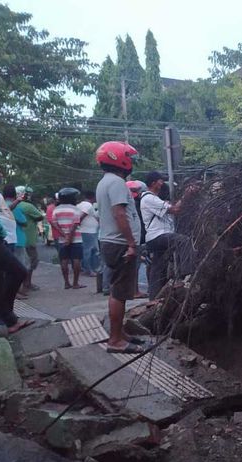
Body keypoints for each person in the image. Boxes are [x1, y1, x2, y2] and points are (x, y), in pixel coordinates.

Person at [95, 141, 146, 354]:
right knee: (119, 292)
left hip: (112, 241)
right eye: (129, 158)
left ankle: (119, 333)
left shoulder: (105, 182)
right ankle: (115, 340)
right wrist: (132, 243)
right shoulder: (116, 183)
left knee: (120, 291)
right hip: (119, 243)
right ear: (119, 159)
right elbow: (119, 214)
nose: (131, 163)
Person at [141, 171, 196, 299]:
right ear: (154, 183)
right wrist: (186, 195)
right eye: (160, 180)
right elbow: (175, 210)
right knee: (184, 241)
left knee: (158, 268)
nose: (162, 183)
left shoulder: (154, 199)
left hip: (156, 237)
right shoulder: (149, 198)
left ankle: (154, 299)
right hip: (158, 236)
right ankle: (187, 274)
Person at [0, 165, 33, 334]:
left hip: (1, 238)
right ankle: (6, 317)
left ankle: (7, 320)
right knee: (18, 271)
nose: (0, 174)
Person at [52, 187, 86, 290]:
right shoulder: (75, 209)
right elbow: (75, 224)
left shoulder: (56, 209)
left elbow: (54, 223)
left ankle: (66, 283)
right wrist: (69, 237)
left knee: (64, 260)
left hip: (62, 239)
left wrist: (64, 235)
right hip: (76, 238)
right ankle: (75, 283)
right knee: (76, 260)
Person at [16, 186, 44, 291]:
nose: (29, 196)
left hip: (18, 239)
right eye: (27, 194)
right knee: (31, 262)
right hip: (29, 239)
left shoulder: (14, 205)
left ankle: (24, 284)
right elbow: (40, 216)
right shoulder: (28, 206)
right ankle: (27, 284)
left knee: (21, 262)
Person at [0, 164, 18, 251]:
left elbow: (5, 210)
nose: (1, 175)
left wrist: (18, 200)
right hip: (0, 241)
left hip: (8, 239)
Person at [77, 190, 100, 277]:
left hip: (88, 230)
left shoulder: (80, 205)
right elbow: (82, 215)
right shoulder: (88, 205)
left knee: (90, 250)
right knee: (89, 251)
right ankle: (89, 270)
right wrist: (78, 223)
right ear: (93, 197)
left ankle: (88, 268)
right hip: (88, 231)